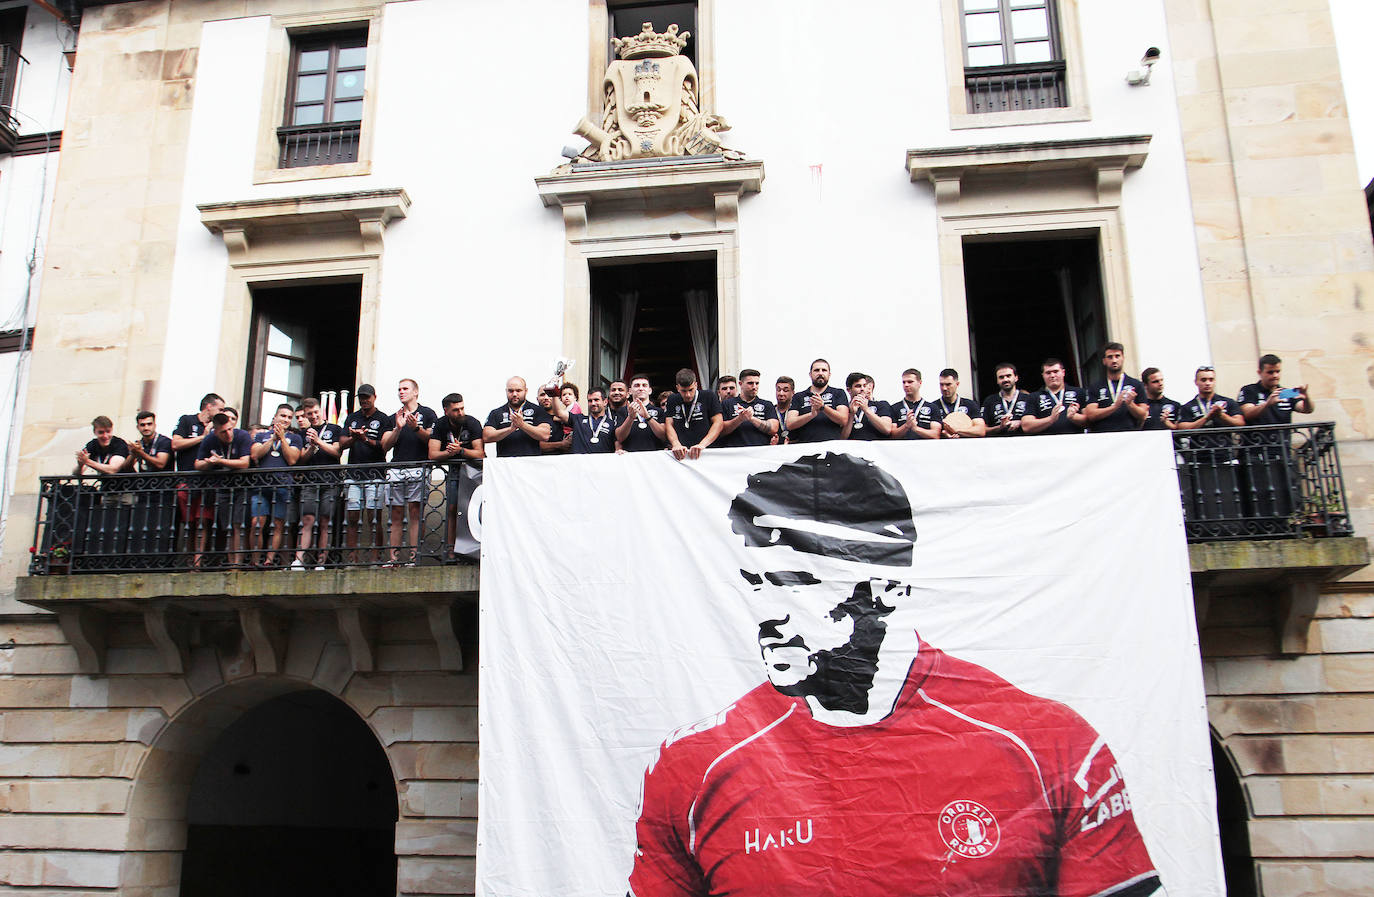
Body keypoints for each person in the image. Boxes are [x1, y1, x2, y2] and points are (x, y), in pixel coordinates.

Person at [629, 452, 1161, 897]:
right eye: (755, 582)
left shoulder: (1052, 746)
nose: (768, 609)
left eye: (795, 581)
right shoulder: (691, 765)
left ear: (890, 587)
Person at [1236, 354, 1312, 524]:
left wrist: (1307, 398)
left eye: (1277, 371)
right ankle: (1261, 526)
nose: (1275, 376)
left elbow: (1306, 409)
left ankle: (1291, 524)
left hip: (1282, 451)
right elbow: (1247, 413)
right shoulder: (1249, 391)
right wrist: (1267, 403)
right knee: (1259, 492)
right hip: (1255, 452)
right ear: (1260, 372)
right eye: (1270, 372)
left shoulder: (1286, 393)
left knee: (1287, 489)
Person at [1174, 366, 1245, 529]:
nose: (1207, 383)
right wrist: (1207, 418)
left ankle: (1232, 529)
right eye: (1203, 380)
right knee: (1204, 498)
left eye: (1211, 380)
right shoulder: (1188, 407)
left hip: (1224, 457)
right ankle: (1206, 529)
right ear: (1196, 382)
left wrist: (1221, 415)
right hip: (1200, 460)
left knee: (1228, 496)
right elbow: (1182, 428)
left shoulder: (1228, 403)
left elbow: (1240, 423)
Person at [380, 378, 437, 566]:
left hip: (418, 468)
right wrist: (398, 427)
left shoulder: (428, 413)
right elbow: (385, 445)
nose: (401, 392)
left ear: (416, 392)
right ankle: (393, 559)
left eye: (405, 388)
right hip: (396, 468)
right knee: (395, 515)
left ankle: (414, 558)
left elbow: (432, 438)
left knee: (415, 513)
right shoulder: (393, 416)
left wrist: (416, 428)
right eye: (399, 389)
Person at [341, 384, 393, 562]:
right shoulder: (352, 418)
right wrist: (353, 438)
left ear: (374, 397)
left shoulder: (384, 418)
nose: (364, 400)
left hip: (375, 474)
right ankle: (352, 555)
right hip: (353, 474)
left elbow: (383, 446)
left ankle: (376, 554)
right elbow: (341, 443)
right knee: (353, 516)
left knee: (374, 516)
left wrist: (365, 439)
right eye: (361, 397)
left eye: (367, 397)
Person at [429, 393, 484, 561]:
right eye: (456, 410)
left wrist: (460, 451)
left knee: (474, 509)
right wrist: (448, 452)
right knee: (452, 508)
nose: (460, 413)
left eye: (462, 408)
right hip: (454, 471)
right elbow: (432, 454)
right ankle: (452, 549)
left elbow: (480, 452)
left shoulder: (472, 422)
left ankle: (475, 548)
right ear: (446, 411)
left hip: (474, 472)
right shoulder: (440, 424)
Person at [193, 411, 252, 567]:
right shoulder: (210, 439)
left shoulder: (242, 436)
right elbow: (198, 464)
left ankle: (237, 564)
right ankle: (231, 561)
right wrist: (210, 463)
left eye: (230, 429)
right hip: (222, 487)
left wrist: (221, 461)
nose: (228, 434)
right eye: (223, 432)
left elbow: (245, 463)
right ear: (216, 431)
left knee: (239, 524)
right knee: (228, 526)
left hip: (241, 486)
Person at [249, 403, 302, 567]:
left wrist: (282, 440)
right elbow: (255, 454)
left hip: (282, 486)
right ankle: (255, 560)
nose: (285, 419)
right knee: (256, 523)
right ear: (275, 417)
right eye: (282, 416)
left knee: (277, 525)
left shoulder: (295, 438)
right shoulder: (261, 436)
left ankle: (269, 560)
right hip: (261, 485)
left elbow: (292, 459)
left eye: (288, 417)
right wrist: (273, 438)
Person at [292, 397, 343, 570]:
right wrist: (311, 447)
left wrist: (319, 442)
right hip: (310, 481)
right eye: (309, 414)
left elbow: (337, 452)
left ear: (320, 410)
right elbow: (300, 459)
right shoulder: (302, 433)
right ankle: (299, 559)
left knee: (325, 520)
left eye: (315, 412)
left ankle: (321, 561)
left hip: (330, 481)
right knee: (307, 519)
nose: (313, 416)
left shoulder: (334, 429)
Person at [172, 393, 224, 553]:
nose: (222, 413)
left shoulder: (218, 427)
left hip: (207, 483)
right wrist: (203, 437)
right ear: (209, 406)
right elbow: (176, 443)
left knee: (202, 521)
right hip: (187, 479)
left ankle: (197, 562)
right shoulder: (187, 420)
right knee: (188, 523)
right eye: (220, 408)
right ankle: (188, 560)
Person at [124, 411, 175, 558]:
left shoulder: (164, 442)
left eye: (149, 424)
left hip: (163, 493)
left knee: (161, 528)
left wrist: (141, 454)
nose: (146, 427)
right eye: (142, 425)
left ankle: (160, 559)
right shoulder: (138, 445)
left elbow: (161, 463)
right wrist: (133, 454)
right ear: (138, 427)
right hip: (144, 492)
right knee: (143, 527)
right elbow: (126, 467)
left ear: (155, 425)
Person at [1084, 343, 1147, 434]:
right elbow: (1091, 415)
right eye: (1110, 357)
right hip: (1104, 436)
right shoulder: (1095, 387)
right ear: (1104, 361)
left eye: (1117, 356)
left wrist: (1130, 404)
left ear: (1123, 358)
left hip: (1129, 436)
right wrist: (1114, 407)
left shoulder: (1136, 384)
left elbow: (1143, 415)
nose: (1114, 360)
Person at [484, 376, 554, 458]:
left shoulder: (538, 410)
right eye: (510, 391)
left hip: (531, 463)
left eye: (518, 390)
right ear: (506, 391)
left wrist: (522, 425)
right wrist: (510, 429)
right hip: (505, 465)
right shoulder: (496, 412)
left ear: (526, 391)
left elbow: (545, 435)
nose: (514, 394)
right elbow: (486, 436)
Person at [785, 359, 850, 443]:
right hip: (805, 447)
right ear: (810, 374)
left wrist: (823, 407)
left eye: (824, 370)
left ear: (829, 374)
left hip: (831, 448)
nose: (820, 373)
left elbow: (843, 420)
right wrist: (811, 415)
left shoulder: (838, 393)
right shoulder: (799, 396)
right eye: (816, 370)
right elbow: (790, 424)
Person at [665, 368, 723, 460]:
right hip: (681, 453)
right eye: (683, 391)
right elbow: (669, 424)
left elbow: (718, 423)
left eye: (691, 390)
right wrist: (675, 444)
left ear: (696, 385)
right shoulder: (672, 399)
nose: (688, 395)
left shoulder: (708, 396)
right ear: (677, 388)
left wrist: (702, 444)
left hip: (706, 451)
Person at [1022, 359, 1089, 436]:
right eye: (1048, 373)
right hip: (1047, 444)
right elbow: (1026, 426)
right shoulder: (1033, 397)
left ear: (1063, 372)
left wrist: (1074, 417)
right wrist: (1050, 419)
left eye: (1056, 371)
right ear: (1043, 375)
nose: (1052, 375)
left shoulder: (1079, 392)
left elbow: (1090, 421)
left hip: (1075, 441)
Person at [719, 369, 780, 448]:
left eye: (757, 383)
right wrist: (740, 419)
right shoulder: (727, 404)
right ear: (740, 384)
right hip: (734, 454)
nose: (754, 387)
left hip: (760, 453)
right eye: (750, 383)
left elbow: (773, 429)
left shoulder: (767, 404)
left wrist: (751, 418)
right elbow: (720, 430)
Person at [553, 385, 617, 454]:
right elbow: (558, 412)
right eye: (590, 401)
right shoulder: (578, 419)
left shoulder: (612, 424)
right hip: (580, 464)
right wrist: (554, 391)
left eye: (596, 400)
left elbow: (618, 445)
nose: (593, 403)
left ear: (605, 402)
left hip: (601, 464)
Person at [616, 375, 668, 453]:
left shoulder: (659, 411)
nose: (641, 388)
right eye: (637, 385)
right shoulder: (622, 411)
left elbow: (664, 436)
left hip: (655, 458)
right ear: (630, 391)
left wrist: (648, 417)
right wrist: (630, 417)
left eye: (644, 385)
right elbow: (619, 437)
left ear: (650, 390)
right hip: (630, 458)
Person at [930, 369, 985, 438]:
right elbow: (932, 433)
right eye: (941, 384)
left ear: (957, 384)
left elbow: (981, 430)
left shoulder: (970, 404)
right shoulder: (933, 406)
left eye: (948, 384)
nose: (944, 388)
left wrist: (956, 430)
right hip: (943, 446)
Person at [981, 363, 1030, 437]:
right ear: (997, 381)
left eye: (1008, 376)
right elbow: (982, 429)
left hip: (1025, 442)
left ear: (1016, 378)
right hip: (998, 444)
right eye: (1001, 377)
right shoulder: (989, 401)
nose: (1005, 379)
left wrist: (1021, 423)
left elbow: (1037, 423)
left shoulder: (1028, 398)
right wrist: (1000, 427)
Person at [890, 368, 937, 440]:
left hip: (926, 449)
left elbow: (935, 435)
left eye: (910, 382)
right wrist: (906, 426)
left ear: (920, 383)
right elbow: (892, 435)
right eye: (904, 382)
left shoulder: (932, 407)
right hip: (902, 449)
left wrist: (916, 429)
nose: (906, 385)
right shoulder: (894, 408)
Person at [844, 372, 893, 440]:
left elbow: (887, 429)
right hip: (852, 449)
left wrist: (866, 410)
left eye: (864, 385)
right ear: (849, 390)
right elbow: (842, 437)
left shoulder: (881, 404)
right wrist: (851, 414)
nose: (862, 389)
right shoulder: (845, 408)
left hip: (875, 448)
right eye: (858, 386)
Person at [538, 387, 572, 454]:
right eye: (542, 395)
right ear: (537, 398)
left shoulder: (566, 418)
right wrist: (561, 444)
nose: (546, 398)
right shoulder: (533, 418)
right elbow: (534, 445)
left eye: (549, 395)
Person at [774, 376, 795, 445]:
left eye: (785, 390)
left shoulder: (796, 412)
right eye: (778, 390)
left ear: (793, 393)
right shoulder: (770, 411)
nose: (781, 393)